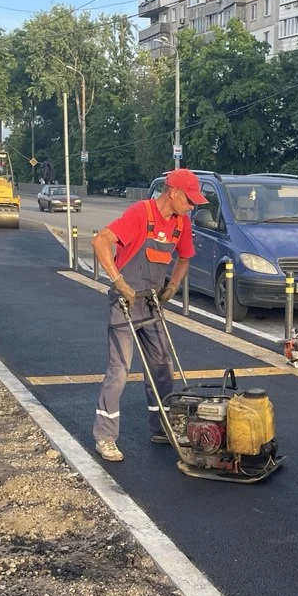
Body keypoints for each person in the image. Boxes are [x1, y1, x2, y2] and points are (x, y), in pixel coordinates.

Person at [90, 169, 204, 462]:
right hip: (125, 300)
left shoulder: (181, 223)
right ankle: (105, 436)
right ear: (173, 193)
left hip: (151, 302)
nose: (192, 207)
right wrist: (118, 281)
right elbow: (100, 241)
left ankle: (162, 427)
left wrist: (173, 285)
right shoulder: (141, 213)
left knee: (162, 365)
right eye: (189, 201)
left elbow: (185, 257)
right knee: (119, 369)